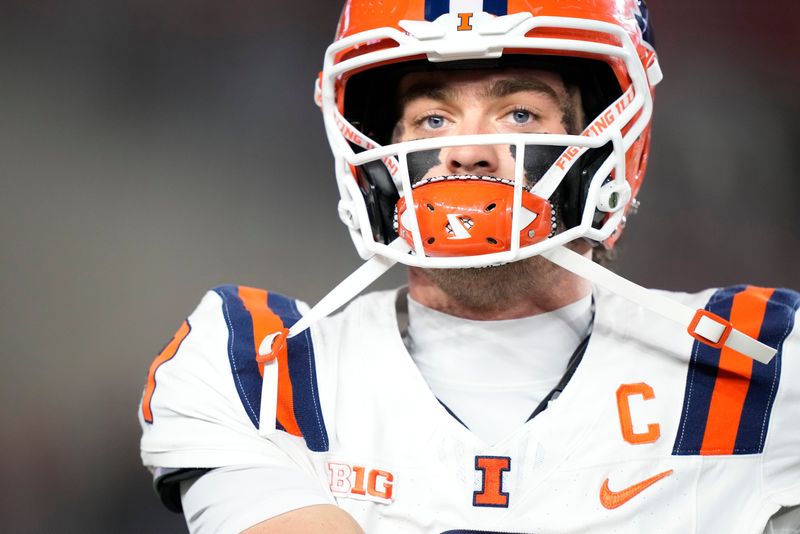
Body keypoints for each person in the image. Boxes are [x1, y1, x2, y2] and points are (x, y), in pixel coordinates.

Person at [138, 1, 800, 532]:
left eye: (519, 112)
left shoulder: (762, 369)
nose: (469, 151)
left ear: (608, 145)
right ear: (378, 155)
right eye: (432, 118)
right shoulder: (260, 372)